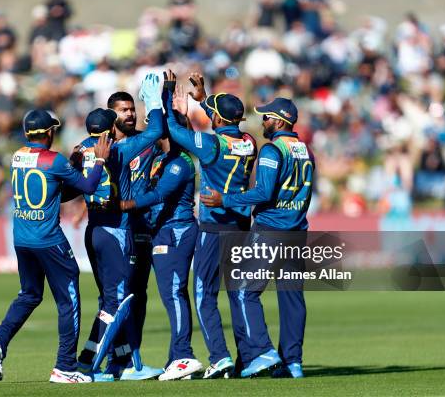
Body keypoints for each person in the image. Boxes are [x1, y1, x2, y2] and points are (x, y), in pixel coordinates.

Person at [0, 109, 112, 384]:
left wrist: (72, 168)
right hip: (49, 241)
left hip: (22, 239)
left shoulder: (17, 157)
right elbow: (88, 186)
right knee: (68, 300)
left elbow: (55, 190)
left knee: (29, 295)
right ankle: (64, 367)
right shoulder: (55, 161)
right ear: (49, 132)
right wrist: (99, 159)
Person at [202, 97, 315, 379]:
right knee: (292, 297)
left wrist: (225, 200)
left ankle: (262, 353)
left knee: (242, 290)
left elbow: (263, 193)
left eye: (266, 117)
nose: (263, 122)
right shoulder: (305, 150)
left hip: (271, 230)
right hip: (297, 231)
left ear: (279, 121)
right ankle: (293, 362)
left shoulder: (272, 151)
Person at [166, 71, 258, 379]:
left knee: (205, 294)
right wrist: (203, 101)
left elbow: (173, 132)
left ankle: (220, 357)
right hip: (241, 226)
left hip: (214, 227)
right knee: (236, 294)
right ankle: (247, 357)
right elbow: (222, 121)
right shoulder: (249, 141)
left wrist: (167, 101)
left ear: (217, 119)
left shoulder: (211, 145)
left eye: (212, 113)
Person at [75, 74, 164, 381]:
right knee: (117, 300)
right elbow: (154, 131)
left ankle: (122, 362)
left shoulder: (79, 150)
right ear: (111, 127)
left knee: (113, 298)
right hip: (115, 232)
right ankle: (86, 364)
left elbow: (72, 183)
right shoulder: (118, 151)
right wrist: (153, 101)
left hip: (93, 230)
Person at [120, 73, 202, 380]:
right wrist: (167, 95)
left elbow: (158, 195)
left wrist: (126, 205)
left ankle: (184, 355)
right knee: (168, 293)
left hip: (177, 230)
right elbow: (165, 127)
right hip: (164, 231)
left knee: (173, 293)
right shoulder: (166, 158)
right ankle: (177, 359)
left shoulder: (180, 163)